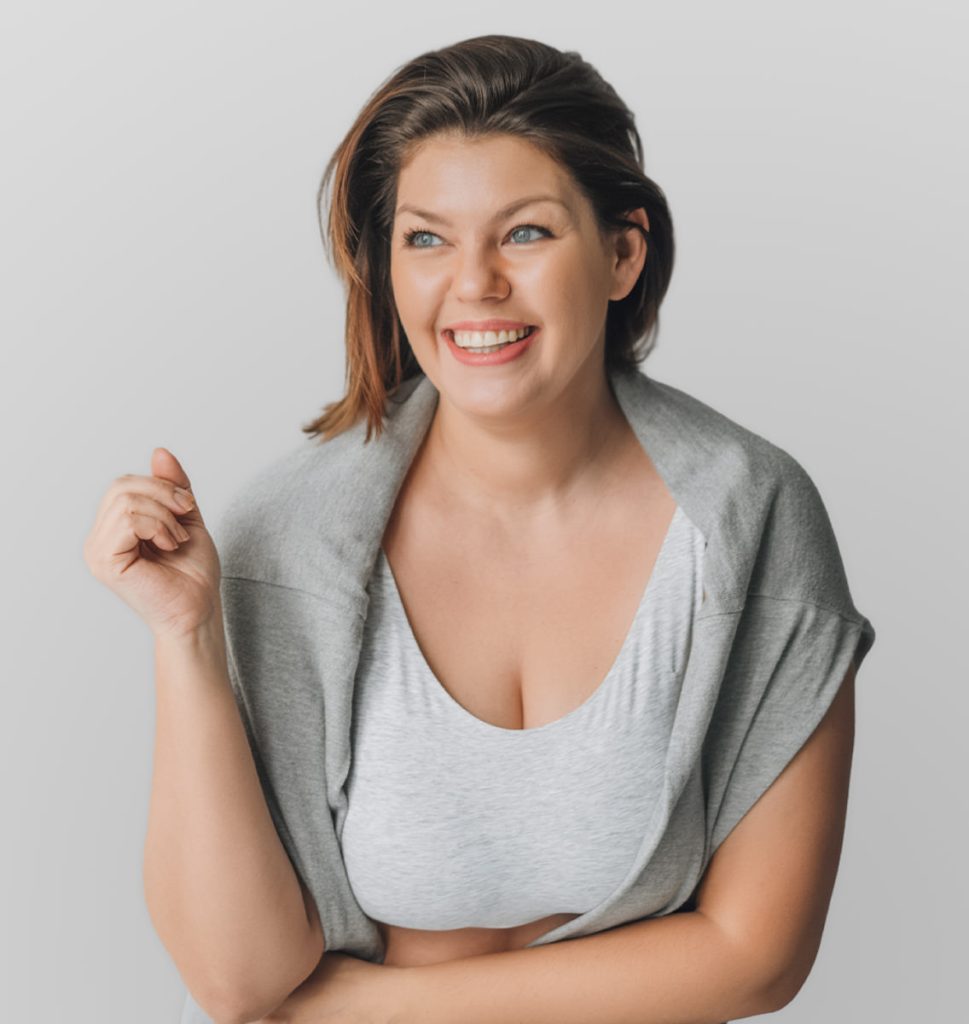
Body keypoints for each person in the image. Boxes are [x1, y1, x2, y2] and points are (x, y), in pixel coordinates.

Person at [84, 34, 876, 1024]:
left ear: (622, 252)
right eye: (426, 238)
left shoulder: (752, 516)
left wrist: (347, 1013)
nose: (474, 285)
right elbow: (239, 978)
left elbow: (756, 954)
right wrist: (187, 636)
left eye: (526, 233)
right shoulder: (284, 540)